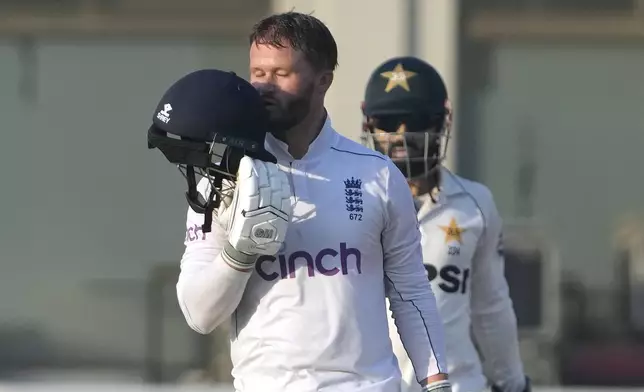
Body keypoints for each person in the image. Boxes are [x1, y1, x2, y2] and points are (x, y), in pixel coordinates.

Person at [174, 12, 452, 392]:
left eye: (281, 74)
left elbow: (411, 291)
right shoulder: (221, 178)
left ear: (324, 80)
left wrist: (436, 383)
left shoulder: (379, 174)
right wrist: (239, 256)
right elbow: (199, 315)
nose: (263, 87)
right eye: (257, 73)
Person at [361, 56, 531, 392]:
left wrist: (512, 383)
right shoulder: (350, 200)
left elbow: (491, 305)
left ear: (443, 122)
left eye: (418, 120)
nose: (402, 134)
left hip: (458, 384)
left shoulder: (475, 204)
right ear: (369, 124)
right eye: (389, 121)